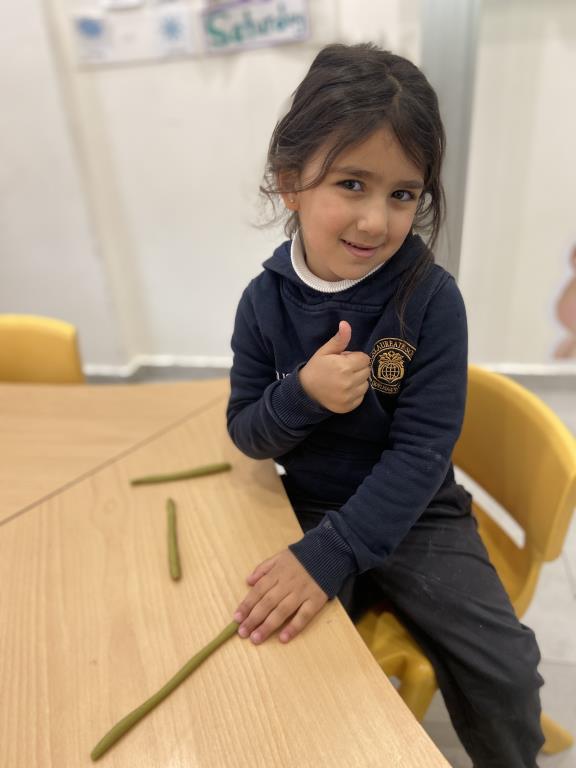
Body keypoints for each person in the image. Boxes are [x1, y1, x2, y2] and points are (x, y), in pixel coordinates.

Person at [226, 42, 544, 767]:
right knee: (272, 659)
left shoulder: (431, 300)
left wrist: (334, 553)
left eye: (403, 194)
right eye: (352, 184)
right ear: (290, 182)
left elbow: (422, 454)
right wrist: (301, 395)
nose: (376, 220)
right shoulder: (262, 302)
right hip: (306, 504)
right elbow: (246, 431)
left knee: (506, 670)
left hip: (418, 512)